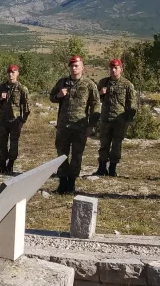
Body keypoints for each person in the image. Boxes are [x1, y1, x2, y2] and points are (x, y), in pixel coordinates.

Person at [49, 55, 99, 194]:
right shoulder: (62, 82)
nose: (74, 68)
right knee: (61, 155)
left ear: (82, 67)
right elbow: (51, 97)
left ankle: (71, 184)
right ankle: (62, 183)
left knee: (77, 156)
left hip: (80, 127)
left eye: (77, 65)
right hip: (63, 127)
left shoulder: (89, 85)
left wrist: (91, 126)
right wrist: (59, 95)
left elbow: (95, 105)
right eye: (72, 65)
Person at [95, 59, 137, 177]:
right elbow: (94, 100)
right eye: (111, 68)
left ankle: (113, 168)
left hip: (120, 120)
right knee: (104, 144)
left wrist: (129, 119)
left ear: (121, 69)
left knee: (116, 144)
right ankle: (102, 167)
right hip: (105, 119)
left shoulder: (127, 84)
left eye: (116, 68)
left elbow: (132, 103)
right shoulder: (103, 82)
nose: (113, 70)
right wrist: (100, 93)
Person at [0, 65, 30, 175]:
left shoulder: (22, 88)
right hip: (3, 120)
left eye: (13, 72)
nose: (11, 74)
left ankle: (10, 165)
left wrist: (22, 121)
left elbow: (27, 107)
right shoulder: (1, 87)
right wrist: (1, 98)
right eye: (9, 72)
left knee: (14, 143)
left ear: (17, 74)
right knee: (1, 142)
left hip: (15, 121)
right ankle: (2, 165)